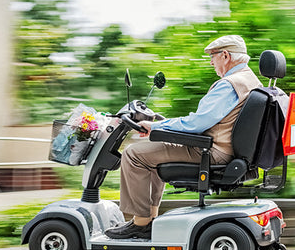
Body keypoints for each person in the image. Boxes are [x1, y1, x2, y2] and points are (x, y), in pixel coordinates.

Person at [105, 35, 263, 239]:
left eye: (213, 56)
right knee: (151, 150)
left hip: (212, 151)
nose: (211, 62)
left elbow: (197, 124)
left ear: (225, 56)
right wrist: (159, 126)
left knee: (133, 154)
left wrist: (155, 126)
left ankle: (141, 223)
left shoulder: (228, 85)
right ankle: (149, 218)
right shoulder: (251, 81)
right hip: (227, 150)